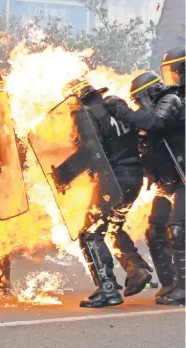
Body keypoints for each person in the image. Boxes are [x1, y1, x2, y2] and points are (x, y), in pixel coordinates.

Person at [63, 78, 153, 308]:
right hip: (134, 178)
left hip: (114, 180)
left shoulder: (82, 113)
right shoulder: (116, 107)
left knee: (90, 232)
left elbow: (91, 151)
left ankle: (108, 289)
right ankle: (137, 268)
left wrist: (63, 175)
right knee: (112, 226)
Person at [106, 67, 184, 306]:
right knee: (155, 232)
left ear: (150, 92)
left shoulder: (170, 99)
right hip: (166, 183)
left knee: (177, 229)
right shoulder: (145, 117)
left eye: (140, 100)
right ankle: (169, 286)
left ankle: (183, 288)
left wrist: (124, 112)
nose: (139, 105)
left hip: (182, 179)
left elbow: (157, 122)